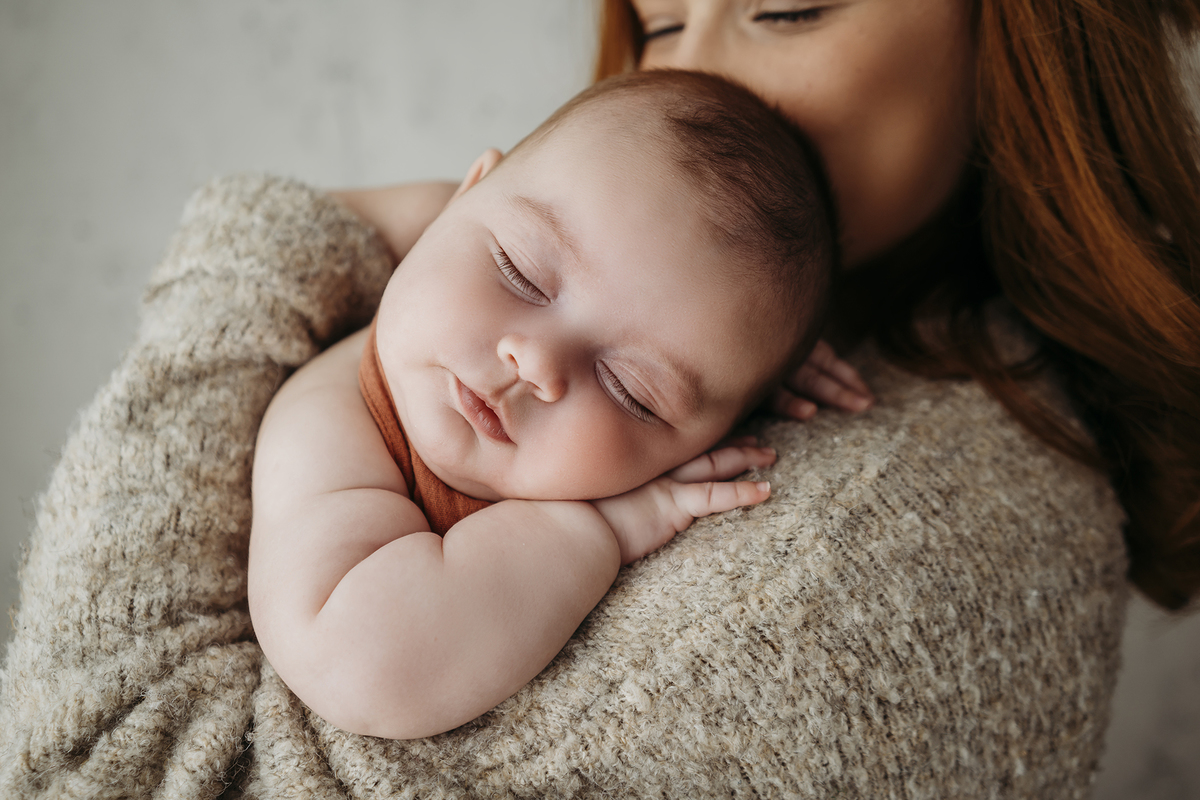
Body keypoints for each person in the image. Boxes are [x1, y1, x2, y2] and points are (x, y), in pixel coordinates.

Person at [337, 0, 1200, 612]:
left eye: (787, 9)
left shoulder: (890, 527)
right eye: (659, 23)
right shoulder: (487, 289)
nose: (689, 71)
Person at [248, 70, 835, 739]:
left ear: (702, 444)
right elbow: (359, 662)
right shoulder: (328, 424)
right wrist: (598, 533)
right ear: (460, 198)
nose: (535, 364)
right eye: (518, 272)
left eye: (630, 391)